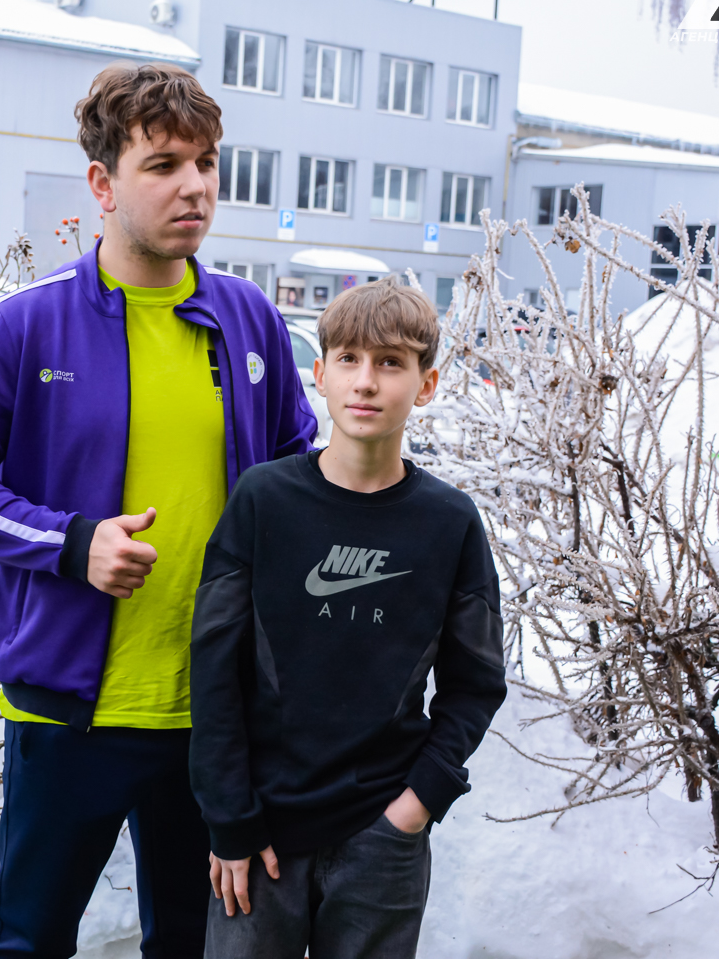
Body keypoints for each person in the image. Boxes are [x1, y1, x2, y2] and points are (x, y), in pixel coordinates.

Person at [0, 62, 317, 958]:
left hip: (213, 716)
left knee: (191, 947)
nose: (194, 186)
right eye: (163, 164)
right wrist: (72, 543)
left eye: (206, 163)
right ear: (102, 184)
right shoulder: (26, 323)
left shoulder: (250, 319)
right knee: (27, 943)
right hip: (70, 711)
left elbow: (302, 475)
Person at [189, 278, 508, 957]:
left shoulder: (449, 523)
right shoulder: (263, 500)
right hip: (262, 832)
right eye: (349, 360)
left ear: (426, 384)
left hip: (382, 839)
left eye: (391, 363)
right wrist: (230, 818)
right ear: (320, 374)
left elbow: (476, 683)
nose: (366, 381)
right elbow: (213, 669)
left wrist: (416, 806)